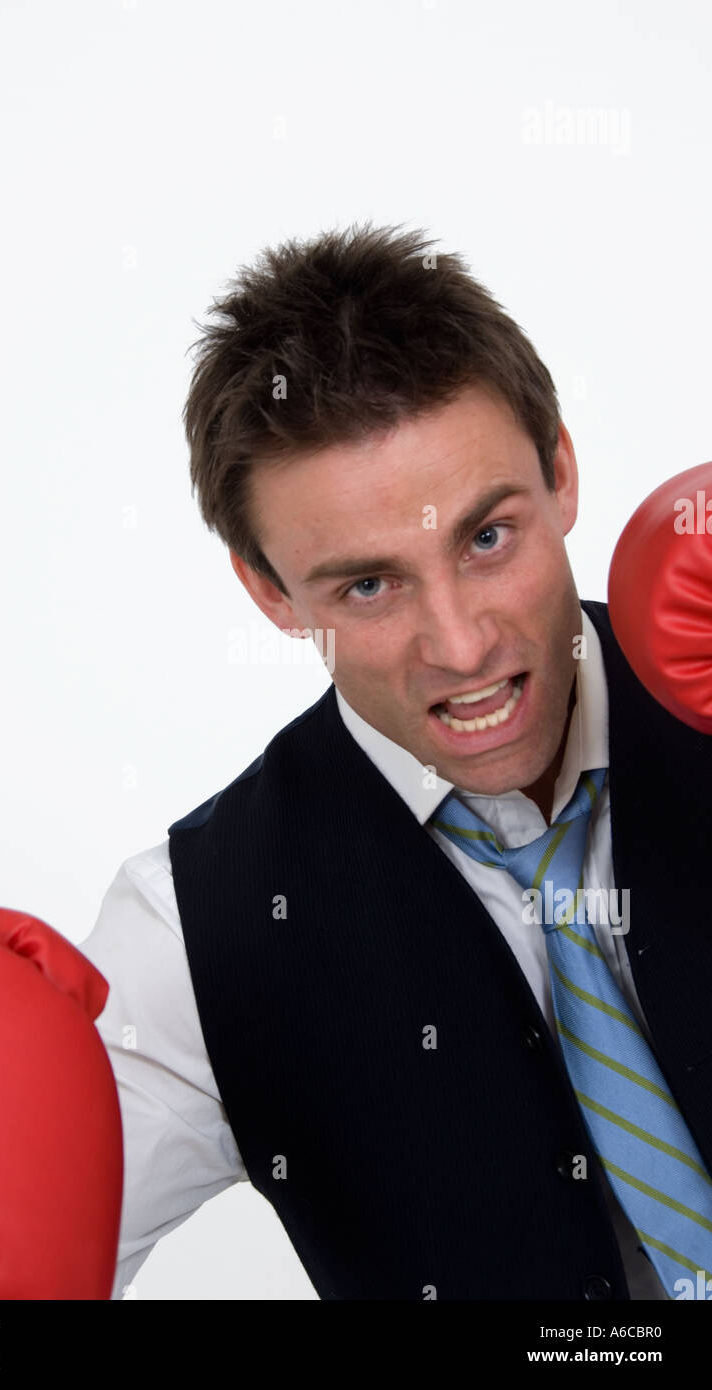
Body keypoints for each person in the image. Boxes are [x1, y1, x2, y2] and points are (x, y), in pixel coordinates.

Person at [80, 223, 712, 1300]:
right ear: (269, 592)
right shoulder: (195, 931)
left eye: (485, 537)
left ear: (559, 471)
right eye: (366, 586)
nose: (461, 645)